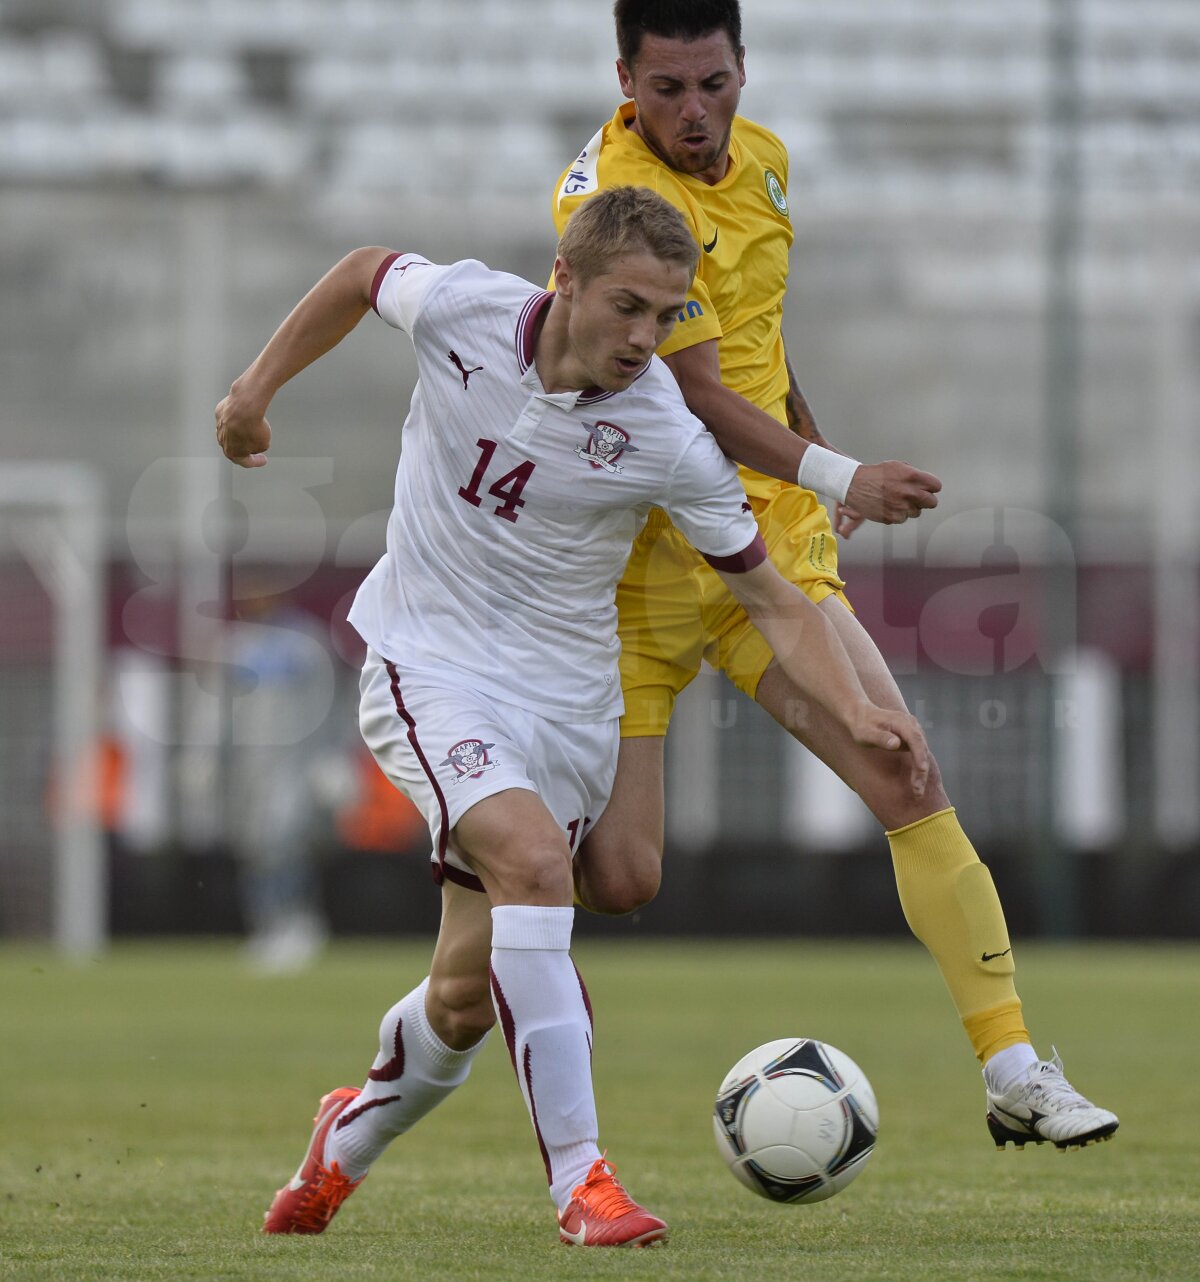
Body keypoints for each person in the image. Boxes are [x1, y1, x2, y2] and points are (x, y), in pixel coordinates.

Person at [215, 186, 933, 1245]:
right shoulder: (464, 311)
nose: (646, 338)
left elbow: (772, 594)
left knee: (463, 998)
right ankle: (582, 1183)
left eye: (665, 315)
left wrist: (861, 708)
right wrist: (251, 392)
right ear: (566, 279)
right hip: (429, 663)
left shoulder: (668, 438)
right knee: (539, 866)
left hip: (568, 704)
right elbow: (364, 270)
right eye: (627, 307)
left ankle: (348, 1134)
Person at [550, 0, 1117, 1151]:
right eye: (668, 90)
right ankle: (488, 917)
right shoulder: (610, 203)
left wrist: (808, 451)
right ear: (623, 78)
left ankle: (1013, 1067)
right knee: (621, 878)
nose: (696, 113)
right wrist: (842, 469)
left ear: (743, 67)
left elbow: (757, 338)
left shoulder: (764, 166)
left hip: (766, 548)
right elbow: (695, 388)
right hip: (633, 564)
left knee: (902, 766)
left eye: (714, 83)